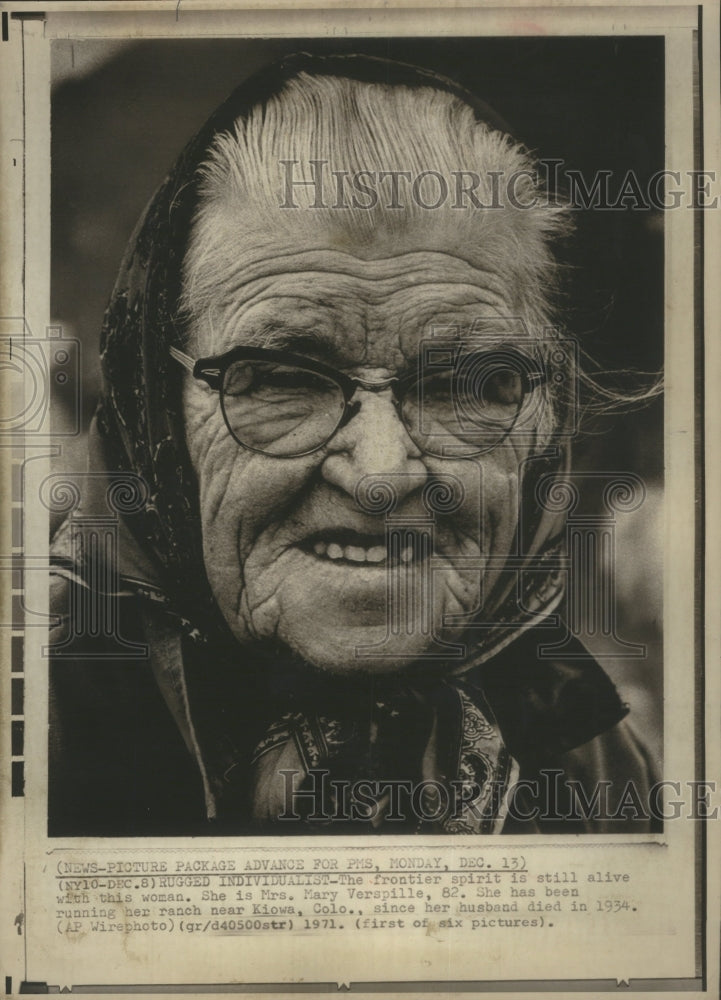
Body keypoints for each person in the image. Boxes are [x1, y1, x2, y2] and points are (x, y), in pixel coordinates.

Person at [48, 52, 659, 836]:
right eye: (280, 380)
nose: (379, 474)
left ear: (541, 421)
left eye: (460, 387)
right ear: (156, 415)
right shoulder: (34, 724)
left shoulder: (580, 748)